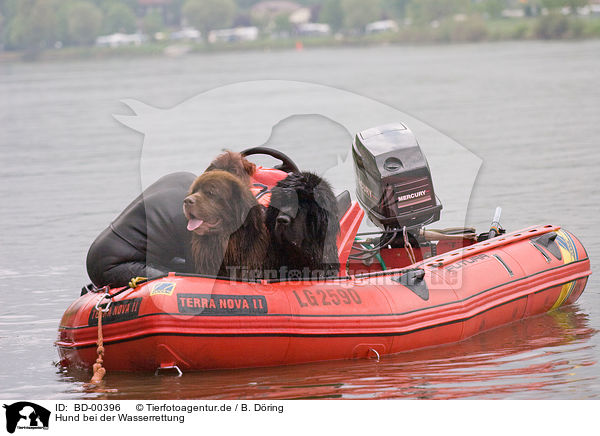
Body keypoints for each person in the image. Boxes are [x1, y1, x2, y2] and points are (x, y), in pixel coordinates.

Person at [86, 172, 196, 288]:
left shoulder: (186, 181)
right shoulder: (190, 214)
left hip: (132, 255)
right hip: (113, 264)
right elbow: (200, 269)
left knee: (185, 272)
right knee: (183, 283)